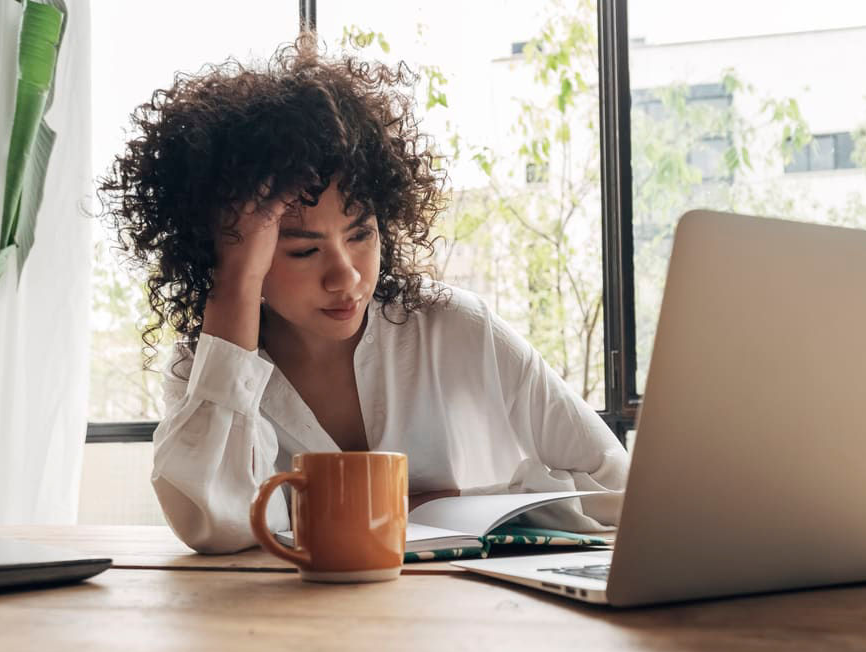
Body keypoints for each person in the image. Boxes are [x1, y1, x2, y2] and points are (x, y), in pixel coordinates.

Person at [98, 37, 627, 554]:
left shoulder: (455, 328)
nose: (346, 277)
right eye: (303, 252)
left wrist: (437, 505)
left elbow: (618, 486)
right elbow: (211, 524)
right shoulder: (203, 369)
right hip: (276, 631)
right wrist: (234, 282)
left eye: (361, 235)